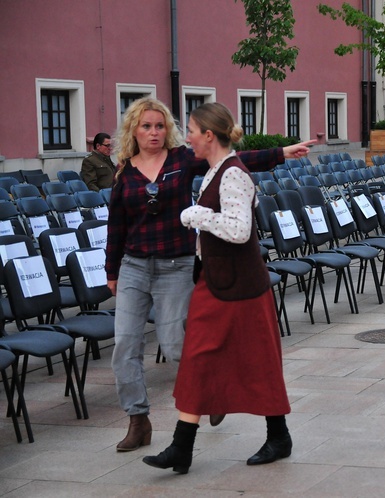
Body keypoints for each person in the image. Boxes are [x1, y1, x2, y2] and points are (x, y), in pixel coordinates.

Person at [106, 97, 313, 453]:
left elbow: (232, 162)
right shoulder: (125, 172)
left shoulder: (182, 159)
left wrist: (280, 153)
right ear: (133, 131)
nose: (154, 132)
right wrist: (112, 270)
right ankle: (138, 420)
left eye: (160, 126)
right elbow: (117, 225)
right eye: (146, 126)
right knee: (124, 346)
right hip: (134, 266)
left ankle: (209, 396)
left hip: (176, 263)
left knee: (175, 345)